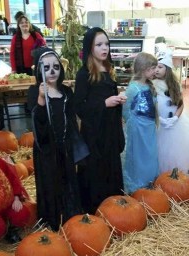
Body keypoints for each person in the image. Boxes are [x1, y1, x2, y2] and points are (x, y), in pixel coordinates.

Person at [27, 47, 88, 231]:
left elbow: (71, 119)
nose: (52, 71)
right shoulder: (34, 92)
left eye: (55, 67)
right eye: (46, 68)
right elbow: (37, 122)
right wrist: (40, 98)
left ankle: (70, 215)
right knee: (50, 181)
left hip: (65, 145)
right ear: (39, 70)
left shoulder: (66, 92)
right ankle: (51, 220)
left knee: (68, 178)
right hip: (47, 149)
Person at [73, 27, 126, 213]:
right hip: (94, 135)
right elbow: (78, 106)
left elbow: (110, 99)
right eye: (99, 44)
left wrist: (118, 100)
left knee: (111, 168)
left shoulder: (108, 69)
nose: (105, 48)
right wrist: (104, 103)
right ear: (90, 47)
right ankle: (95, 210)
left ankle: (114, 209)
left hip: (110, 130)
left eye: (107, 44)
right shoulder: (84, 74)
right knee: (96, 171)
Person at [123, 52, 158, 194]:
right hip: (137, 129)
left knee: (150, 155)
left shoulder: (150, 86)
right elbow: (125, 109)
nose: (155, 70)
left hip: (149, 128)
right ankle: (137, 185)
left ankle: (150, 182)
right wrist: (132, 124)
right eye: (152, 68)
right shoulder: (133, 88)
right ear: (144, 69)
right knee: (138, 156)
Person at [153, 50, 189, 173]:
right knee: (160, 149)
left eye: (160, 67)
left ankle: (174, 174)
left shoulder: (175, 85)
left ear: (167, 69)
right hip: (159, 123)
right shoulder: (152, 85)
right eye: (155, 67)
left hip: (175, 124)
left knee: (174, 149)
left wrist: (175, 118)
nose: (156, 70)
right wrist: (160, 119)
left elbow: (180, 104)